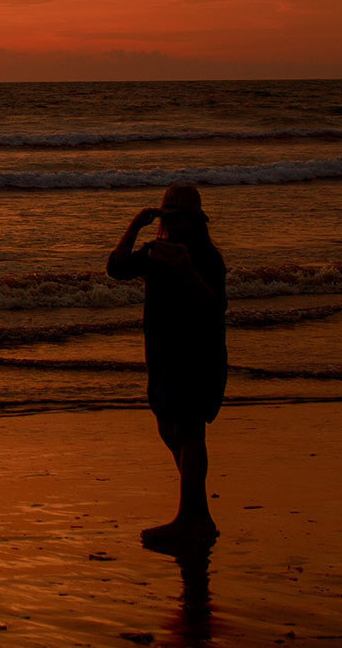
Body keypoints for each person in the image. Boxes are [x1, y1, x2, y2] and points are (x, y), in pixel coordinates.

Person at [108, 183, 227, 546]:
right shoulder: (157, 252)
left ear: (195, 221)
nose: (174, 225)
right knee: (167, 427)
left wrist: (186, 269)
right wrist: (134, 227)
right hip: (163, 353)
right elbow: (115, 268)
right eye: (168, 218)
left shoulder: (206, 257)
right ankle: (198, 512)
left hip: (197, 352)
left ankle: (190, 518)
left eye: (180, 219)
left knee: (190, 431)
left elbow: (213, 306)